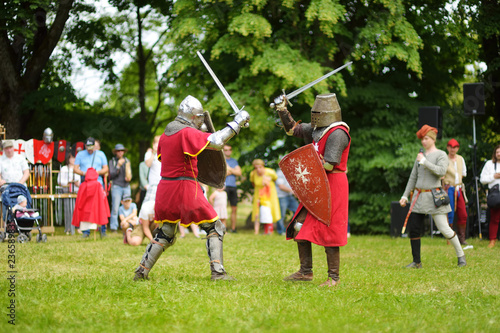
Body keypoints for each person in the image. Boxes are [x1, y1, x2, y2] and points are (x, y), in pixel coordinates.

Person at [133, 95, 250, 281]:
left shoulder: (166, 134)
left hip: (165, 189)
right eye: (199, 118)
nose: (201, 121)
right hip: (184, 187)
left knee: (166, 233)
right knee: (215, 227)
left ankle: (141, 271)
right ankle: (218, 273)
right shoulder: (187, 132)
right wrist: (237, 123)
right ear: (193, 117)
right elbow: (217, 141)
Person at [273, 92, 350, 286]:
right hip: (317, 182)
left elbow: (330, 164)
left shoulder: (338, 133)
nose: (314, 116)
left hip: (333, 183)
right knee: (299, 225)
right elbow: (292, 129)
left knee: (330, 231)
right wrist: (282, 109)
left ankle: (334, 278)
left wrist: (304, 165)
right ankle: (305, 272)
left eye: (318, 112)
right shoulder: (317, 129)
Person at [399, 125, 466, 267]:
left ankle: (461, 255)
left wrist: (425, 162)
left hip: (435, 197)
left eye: (426, 138)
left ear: (433, 139)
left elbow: (441, 172)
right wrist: (405, 195)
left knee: (444, 229)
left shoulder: (441, 154)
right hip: (418, 198)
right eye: (422, 139)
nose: (424, 141)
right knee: (414, 229)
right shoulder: (420, 156)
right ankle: (417, 262)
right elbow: (413, 177)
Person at [444, 139, 469, 246]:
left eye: (455, 147)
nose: (452, 149)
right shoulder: (444, 159)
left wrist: (457, 183)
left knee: (463, 213)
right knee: (450, 213)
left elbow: (463, 174)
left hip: (458, 188)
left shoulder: (460, 159)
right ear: (447, 148)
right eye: (451, 147)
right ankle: (450, 238)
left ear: (457, 148)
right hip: (448, 188)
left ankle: (461, 238)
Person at [71, 167, 110, 238]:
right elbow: (103, 197)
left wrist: (80, 207)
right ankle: (102, 231)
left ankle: (86, 233)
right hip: (97, 207)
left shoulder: (82, 185)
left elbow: (80, 199)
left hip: (86, 208)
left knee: (85, 217)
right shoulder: (98, 185)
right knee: (101, 213)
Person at [0, 139, 30, 220]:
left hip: (21, 188)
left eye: (10, 147)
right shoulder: (1, 160)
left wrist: (20, 183)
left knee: (23, 206)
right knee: (7, 209)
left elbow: (26, 172)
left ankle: (25, 225)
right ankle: (8, 227)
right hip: (7, 189)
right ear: (4, 149)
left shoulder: (20, 158)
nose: (9, 150)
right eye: (7, 148)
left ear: (13, 148)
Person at [250, 159, 281, 235]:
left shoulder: (270, 172)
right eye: (256, 168)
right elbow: (253, 183)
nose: (258, 169)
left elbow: (275, 179)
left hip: (269, 194)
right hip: (258, 194)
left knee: (270, 211)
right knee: (258, 211)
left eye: (260, 167)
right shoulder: (253, 174)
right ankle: (257, 231)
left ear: (263, 166)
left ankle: (270, 230)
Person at [480, 144, 500, 248]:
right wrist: (494, 176)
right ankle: (492, 240)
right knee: (494, 218)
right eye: (497, 152)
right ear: (494, 153)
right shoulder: (489, 164)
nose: (499, 154)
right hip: (495, 195)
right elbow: (482, 179)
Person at [109, 143, 132, 232]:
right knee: (115, 207)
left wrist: (129, 177)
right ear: (115, 152)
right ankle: (114, 227)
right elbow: (111, 175)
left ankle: (128, 225)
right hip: (116, 186)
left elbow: (130, 173)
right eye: (118, 151)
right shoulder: (112, 162)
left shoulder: (127, 161)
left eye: (121, 151)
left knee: (128, 206)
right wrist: (118, 166)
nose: (120, 152)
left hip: (126, 186)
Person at [57, 154, 81, 235]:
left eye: (75, 158)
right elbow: (59, 181)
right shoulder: (64, 169)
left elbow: (80, 181)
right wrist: (68, 182)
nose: (74, 159)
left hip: (76, 192)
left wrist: (77, 183)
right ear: (69, 159)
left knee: (77, 210)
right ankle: (68, 228)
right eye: (72, 158)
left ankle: (77, 227)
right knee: (69, 210)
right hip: (67, 192)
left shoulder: (78, 169)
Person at [223, 144, 241, 232]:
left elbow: (239, 173)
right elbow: (221, 173)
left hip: (233, 187)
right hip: (224, 187)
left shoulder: (234, 161)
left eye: (229, 149)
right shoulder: (221, 160)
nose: (227, 151)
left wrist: (229, 169)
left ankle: (233, 228)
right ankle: (224, 228)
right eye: (225, 150)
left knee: (234, 208)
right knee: (224, 208)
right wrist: (233, 171)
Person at [276, 168, 299, 236]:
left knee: (297, 211)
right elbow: (281, 186)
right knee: (281, 215)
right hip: (282, 196)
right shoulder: (279, 172)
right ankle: (281, 231)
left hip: (290, 195)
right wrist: (292, 191)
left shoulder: (291, 171)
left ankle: (291, 229)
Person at [144, 135, 161, 203]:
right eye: (157, 142)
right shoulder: (149, 153)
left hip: (162, 183)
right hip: (153, 184)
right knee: (149, 204)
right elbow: (148, 164)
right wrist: (154, 152)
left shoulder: (164, 153)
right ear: (153, 144)